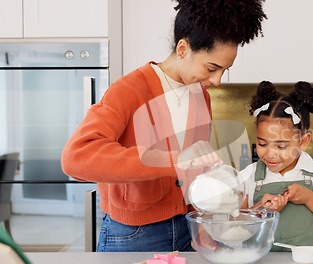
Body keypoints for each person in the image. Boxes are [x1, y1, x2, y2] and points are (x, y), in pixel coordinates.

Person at [61, 0, 266, 252]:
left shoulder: (200, 96)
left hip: (185, 229)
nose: (217, 80)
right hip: (133, 235)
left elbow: (193, 168)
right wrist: (175, 160)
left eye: (224, 70)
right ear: (183, 48)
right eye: (212, 68)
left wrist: (200, 221)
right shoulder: (129, 90)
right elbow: (76, 158)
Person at [240, 81, 313, 252]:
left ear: (303, 141)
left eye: (281, 146)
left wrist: (309, 198)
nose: (270, 154)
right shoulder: (249, 176)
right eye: (262, 144)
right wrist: (259, 209)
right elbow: (236, 227)